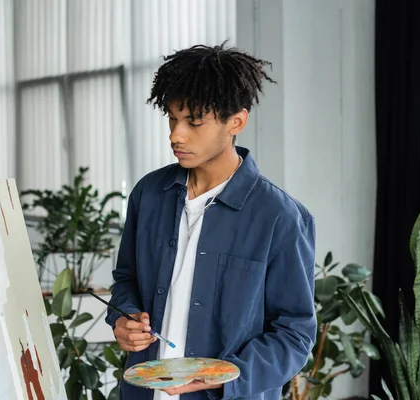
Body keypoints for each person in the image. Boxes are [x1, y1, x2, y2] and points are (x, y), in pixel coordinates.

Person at [105, 42, 317, 400]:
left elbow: (294, 334)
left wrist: (227, 378)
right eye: (172, 118)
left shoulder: (280, 217)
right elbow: (126, 281)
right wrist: (123, 319)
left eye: (194, 121)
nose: (176, 134)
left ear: (237, 121)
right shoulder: (148, 194)